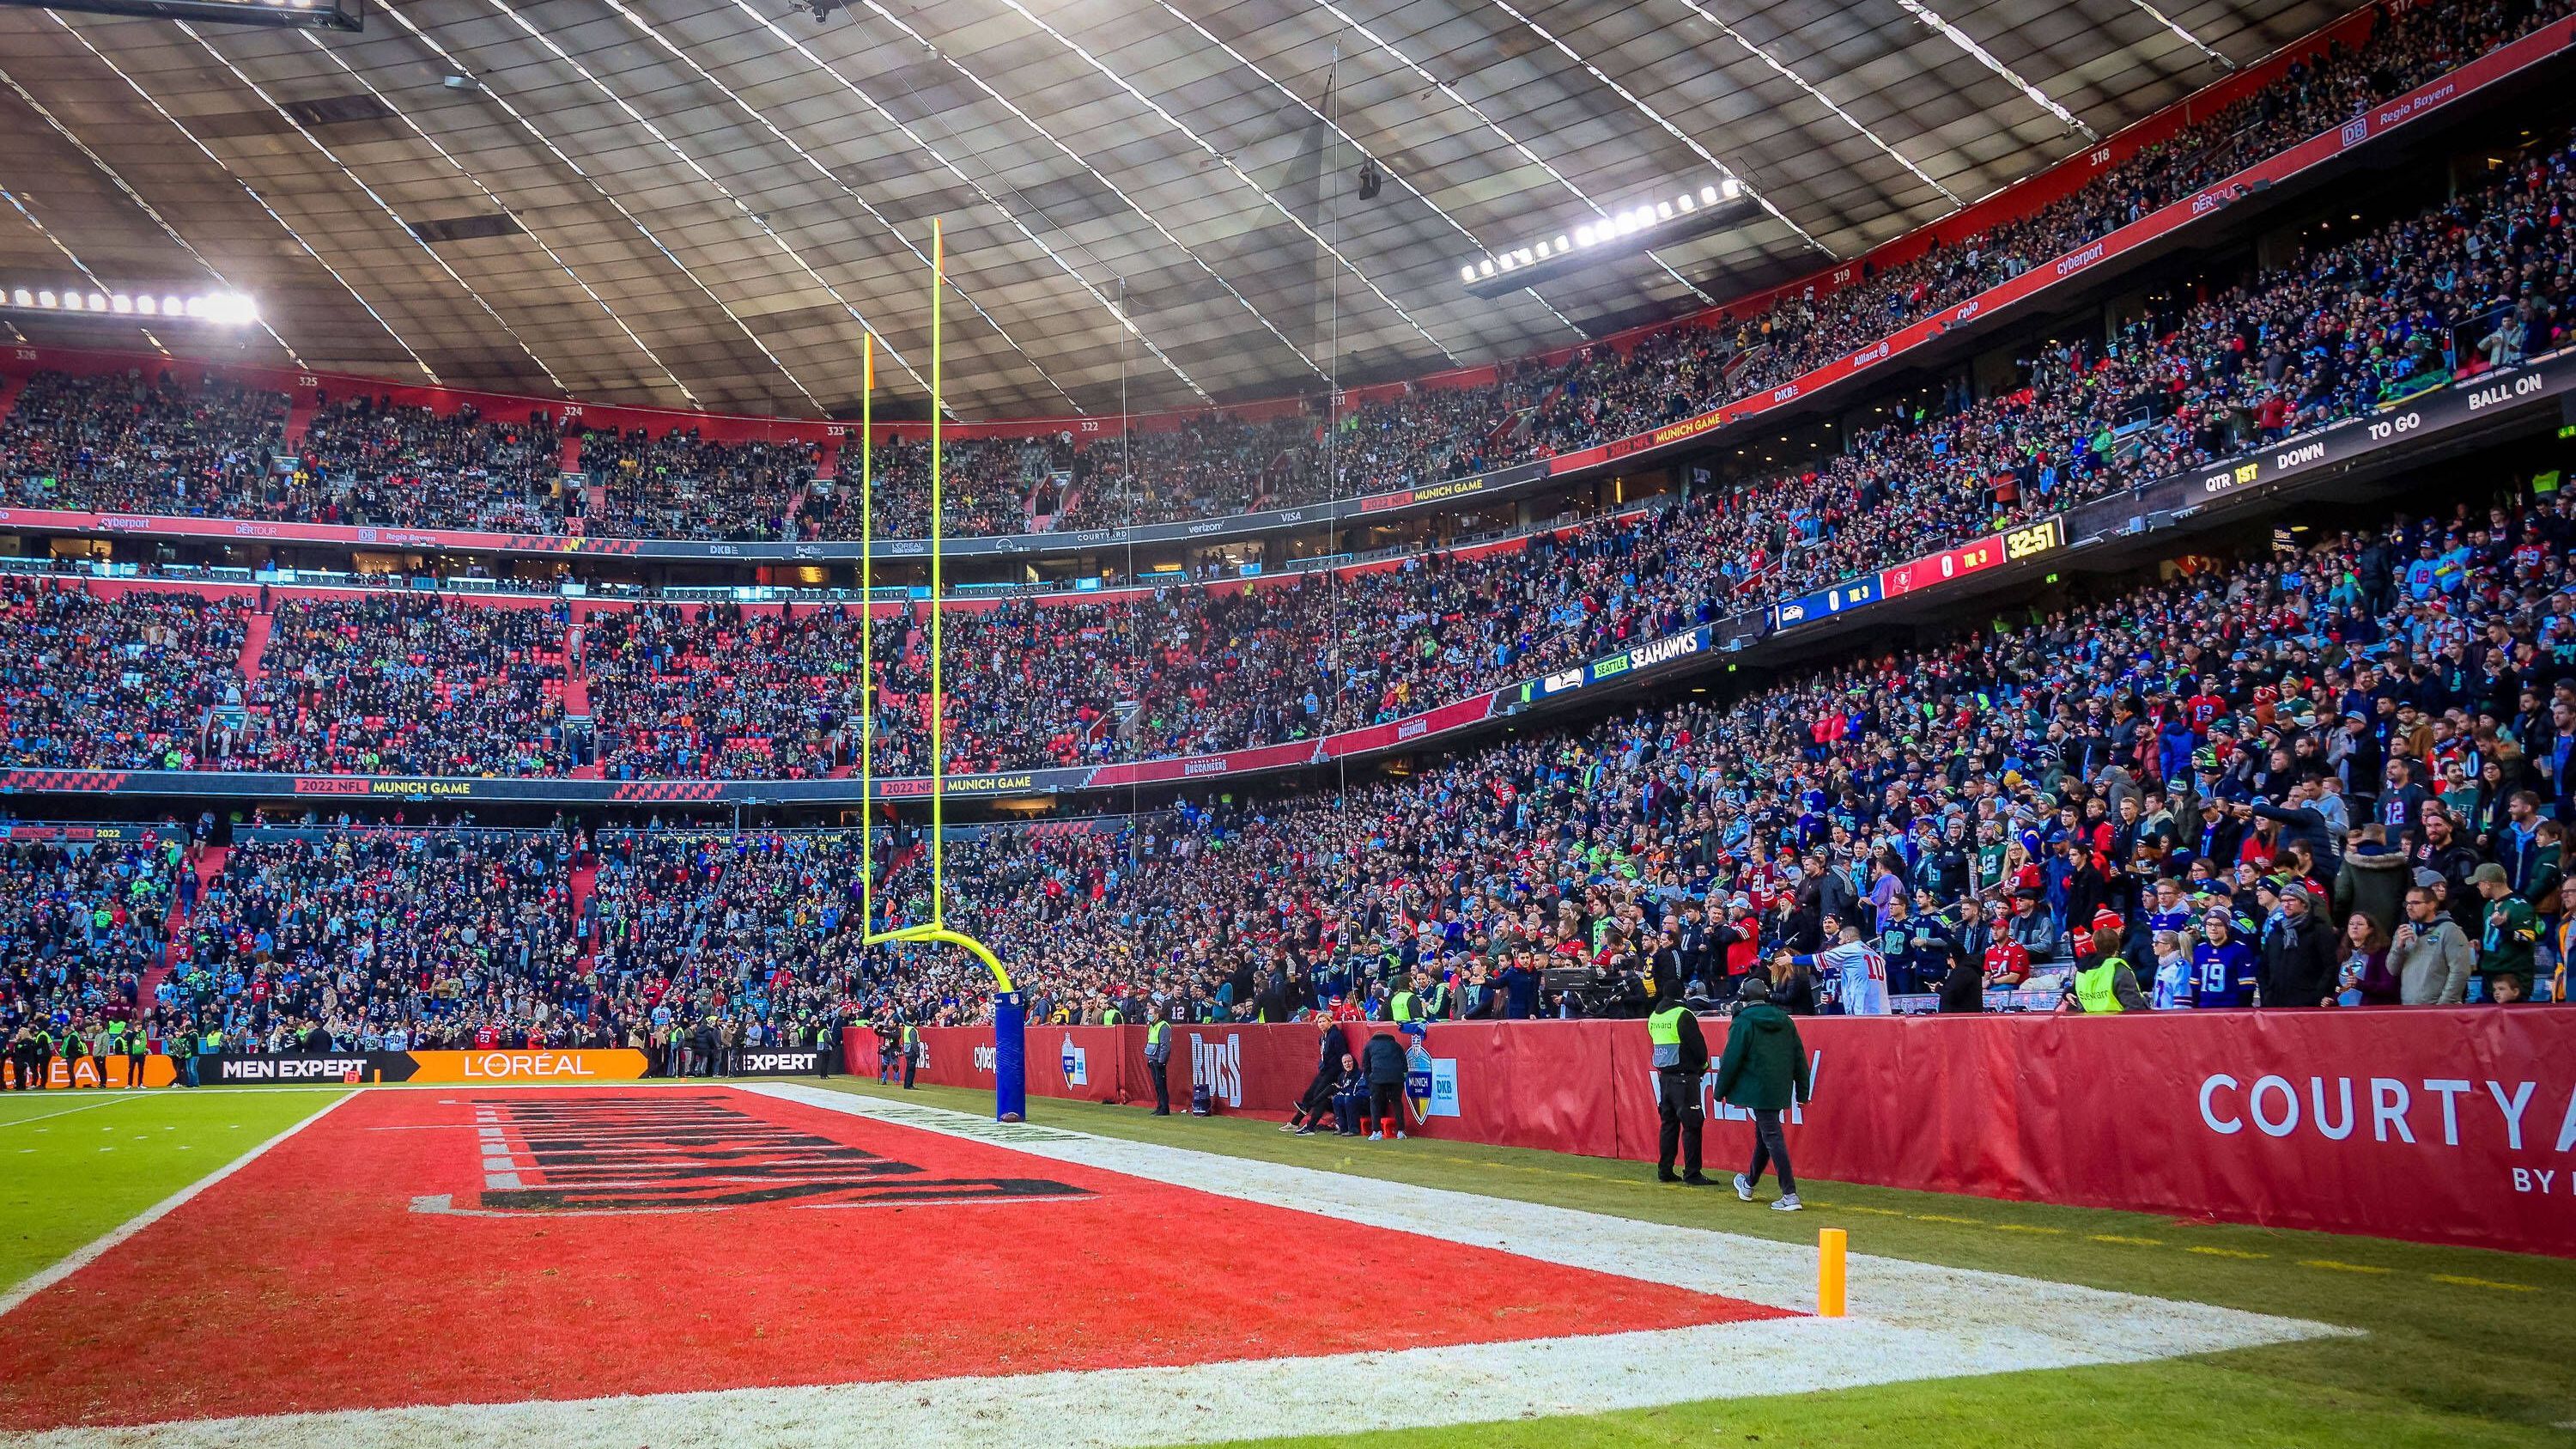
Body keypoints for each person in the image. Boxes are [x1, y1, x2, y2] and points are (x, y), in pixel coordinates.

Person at [1715, 974, 1809, 1211]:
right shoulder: (1785, 1019)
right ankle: (1748, 1183)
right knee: (1765, 1136)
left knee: (1772, 1136)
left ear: (1744, 997)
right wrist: (1803, 1092)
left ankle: (1790, 1194)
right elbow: (1799, 1057)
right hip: (1779, 1086)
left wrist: (1720, 1090)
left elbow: (1731, 1059)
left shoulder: (1744, 1021)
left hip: (1757, 1087)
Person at [1648, 985, 1711, 1185]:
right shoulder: (1683, 1014)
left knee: (1669, 1125)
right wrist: (1703, 1065)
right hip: (1685, 1077)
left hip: (1664, 1077)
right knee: (1692, 1125)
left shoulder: (1654, 1016)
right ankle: (1692, 1173)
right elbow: (1697, 1046)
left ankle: (1665, 1170)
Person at [2260, 884, 2340, 1008]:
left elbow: (2331, 966)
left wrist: (2318, 995)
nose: (2286, 905)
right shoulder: (2276, 932)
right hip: (2276, 1002)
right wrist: (2267, 994)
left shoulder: (2319, 930)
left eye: (2291, 900)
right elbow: (2265, 966)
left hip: (2308, 1004)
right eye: (2283, 901)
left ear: (2304, 903)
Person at [2394, 884, 2474, 1005]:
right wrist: (2399, 947)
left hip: (2438, 1010)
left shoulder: (2450, 930)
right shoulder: (2404, 932)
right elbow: (2393, 970)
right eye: (2407, 903)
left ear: (2432, 905)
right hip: (2409, 1008)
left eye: (2415, 903)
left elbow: (2460, 971)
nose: (2409, 907)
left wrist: (2443, 1005)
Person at [2470, 862, 2538, 1002]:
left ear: (2488, 884)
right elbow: (2493, 937)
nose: (2477, 887)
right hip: (2489, 976)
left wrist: (2505, 928)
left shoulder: (2520, 906)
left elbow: (2528, 939)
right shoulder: (2489, 906)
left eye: (2479, 883)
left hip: (2512, 978)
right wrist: (2480, 944)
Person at [2062, 922, 2147, 1013]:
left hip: (2092, 1024)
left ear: (2094, 946)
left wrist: (2067, 992)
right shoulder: (2118, 969)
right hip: (2119, 1024)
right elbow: (2134, 1009)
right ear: (2117, 945)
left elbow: (2081, 1006)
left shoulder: (2081, 973)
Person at [1284, 1017, 1344, 1135]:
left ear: (1330, 1022)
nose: (1321, 1024)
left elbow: (1341, 1054)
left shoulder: (1335, 1036)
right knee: (1309, 1094)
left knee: (1319, 1096)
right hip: (1325, 1070)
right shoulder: (1322, 1037)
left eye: (1324, 1021)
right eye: (1319, 1022)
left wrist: (1339, 1073)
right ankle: (1296, 1122)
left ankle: (1310, 1126)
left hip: (1333, 1071)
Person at [1359, 1026, 1408, 1141]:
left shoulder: (1369, 1045)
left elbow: (1365, 1066)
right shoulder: (1396, 1045)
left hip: (1377, 1078)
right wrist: (1403, 1078)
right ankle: (1401, 1131)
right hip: (1396, 1078)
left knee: (1375, 1103)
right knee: (1397, 1103)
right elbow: (1404, 1063)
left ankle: (1376, 1131)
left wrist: (1369, 1081)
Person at [1143, 1004, 1173, 1116]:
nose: (1148, 1016)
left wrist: (1162, 1061)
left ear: (1157, 1015)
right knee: (1157, 1084)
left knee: (1161, 1084)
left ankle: (1164, 1108)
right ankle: (1160, 1106)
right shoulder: (1152, 1026)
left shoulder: (1164, 1026)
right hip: (1152, 1057)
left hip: (1158, 1059)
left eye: (1151, 1014)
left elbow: (1165, 1045)